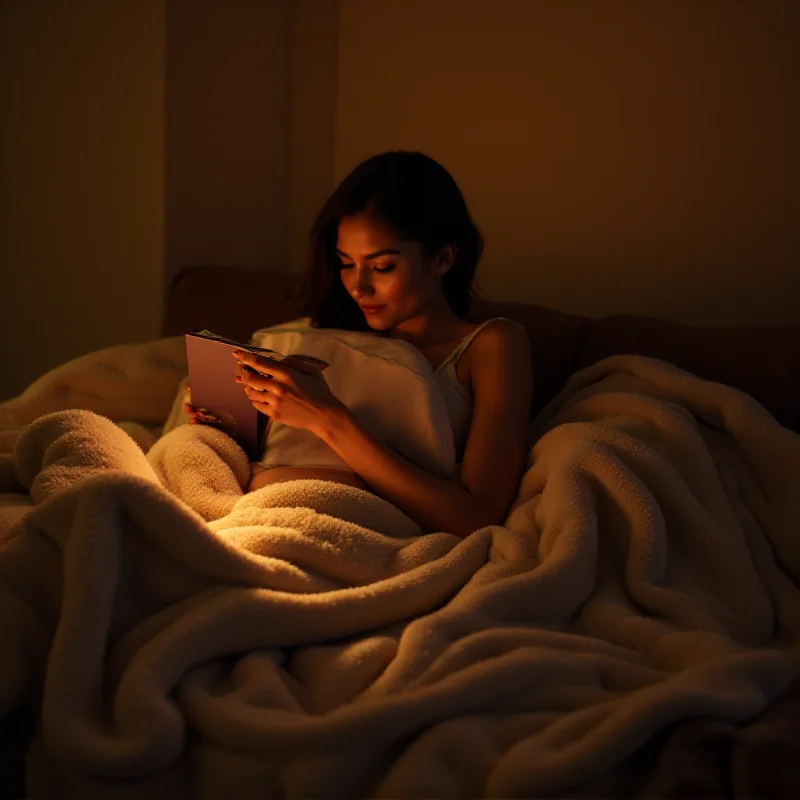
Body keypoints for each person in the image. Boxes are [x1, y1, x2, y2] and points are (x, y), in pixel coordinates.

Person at [191, 151, 533, 537]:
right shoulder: (320, 336)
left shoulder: (491, 345)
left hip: (361, 534)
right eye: (346, 263)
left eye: (383, 267)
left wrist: (327, 418)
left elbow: (475, 517)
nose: (359, 287)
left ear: (443, 259)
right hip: (250, 513)